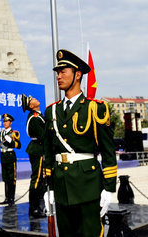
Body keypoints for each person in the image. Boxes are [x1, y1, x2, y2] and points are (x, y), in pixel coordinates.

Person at [43, 49, 116, 237]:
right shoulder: (51, 111)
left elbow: (108, 152)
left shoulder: (94, 108)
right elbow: (49, 152)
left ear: (77, 75)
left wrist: (109, 189)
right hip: (61, 187)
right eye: (57, 73)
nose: (59, 76)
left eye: (63, 72)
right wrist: (48, 187)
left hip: (88, 186)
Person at [22, 96, 46, 218]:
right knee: (37, 179)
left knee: (41, 179)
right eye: (32, 100)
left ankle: (38, 207)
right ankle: (34, 209)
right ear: (31, 106)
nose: (35, 99)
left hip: (39, 148)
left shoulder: (38, 115)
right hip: (38, 148)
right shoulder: (35, 118)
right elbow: (43, 135)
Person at [0, 113, 21, 205]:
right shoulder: (1, 133)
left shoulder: (14, 133)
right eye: (4, 121)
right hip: (3, 156)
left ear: (10, 122)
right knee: (5, 178)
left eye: (7, 121)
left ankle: (11, 199)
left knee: (12, 178)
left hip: (10, 155)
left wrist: (11, 141)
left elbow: (18, 145)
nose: (5, 123)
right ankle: (7, 198)